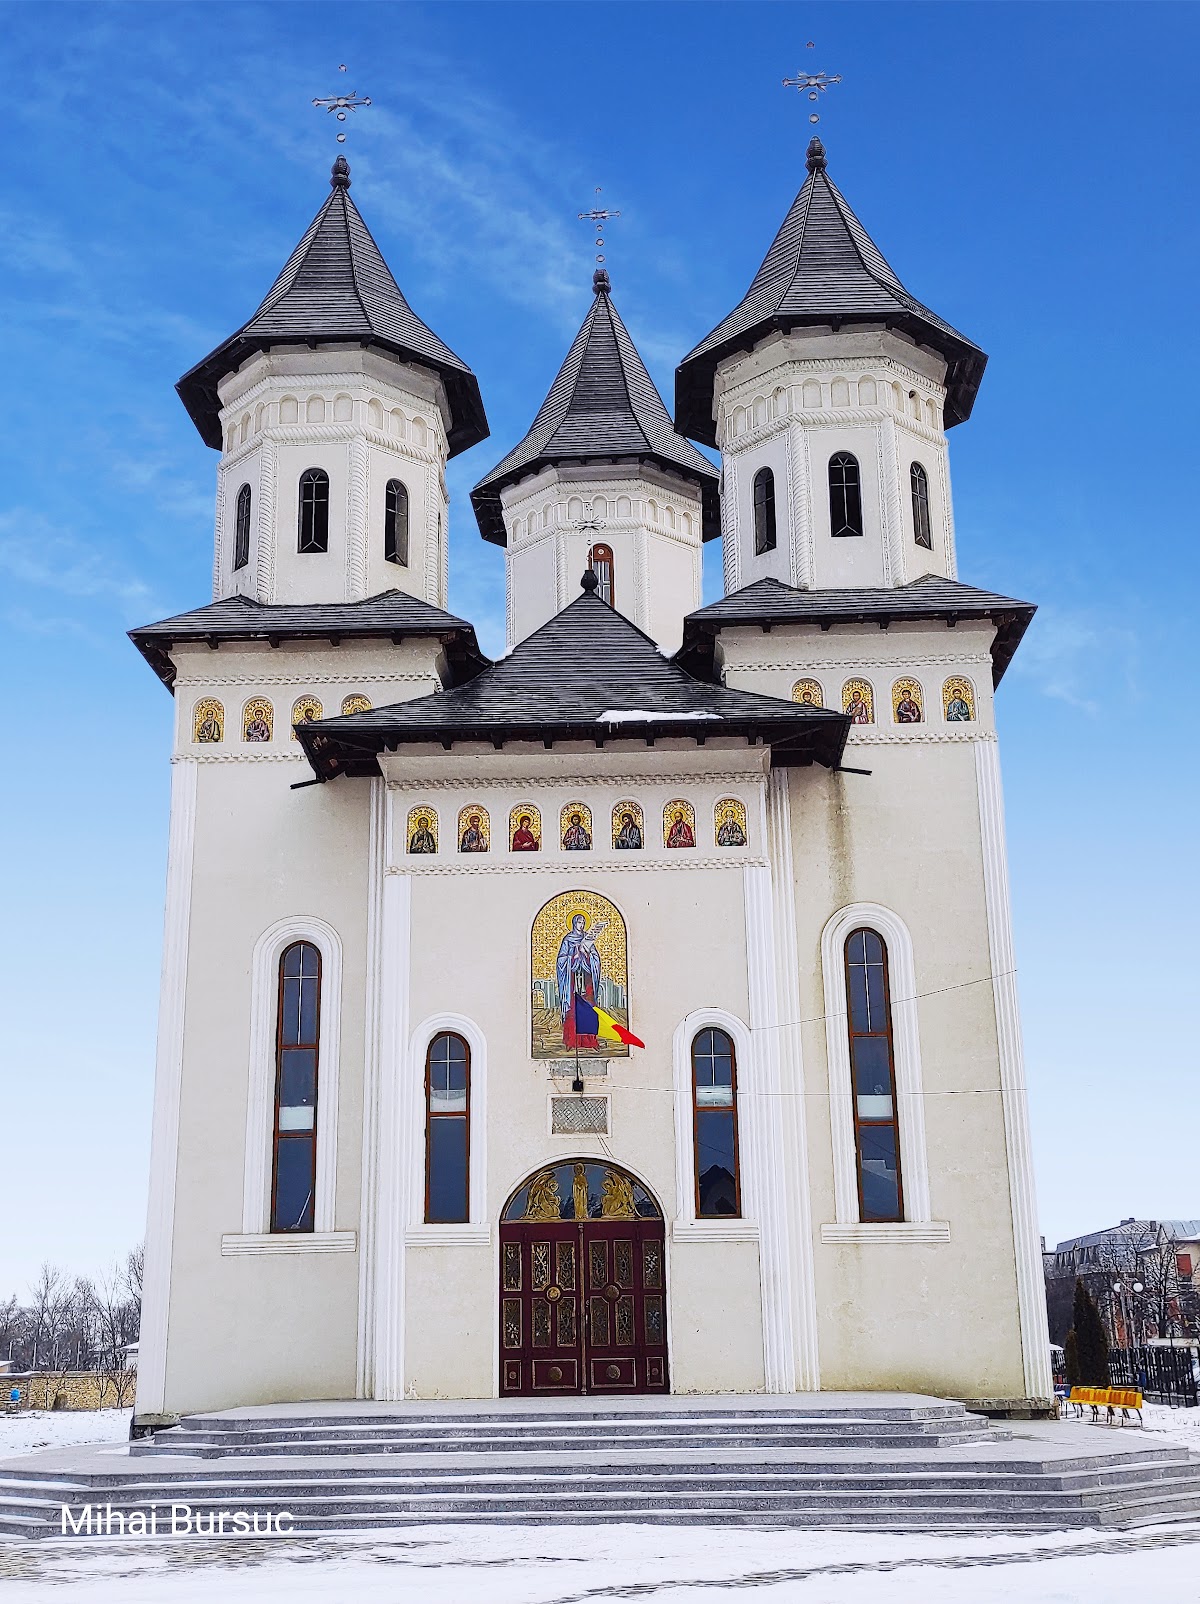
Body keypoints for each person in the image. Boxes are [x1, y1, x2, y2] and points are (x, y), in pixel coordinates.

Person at [556, 914, 607, 1049]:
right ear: (574, 923)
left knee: (589, 1010)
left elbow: (596, 958)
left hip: (586, 980)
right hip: (572, 981)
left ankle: (590, 1042)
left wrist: (588, 955)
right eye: (579, 922)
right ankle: (571, 1041)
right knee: (573, 1010)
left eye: (583, 922)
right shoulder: (568, 940)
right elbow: (561, 960)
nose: (582, 924)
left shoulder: (588, 939)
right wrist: (573, 956)